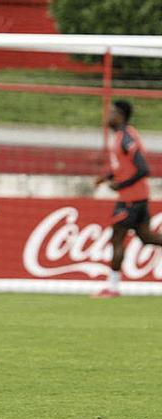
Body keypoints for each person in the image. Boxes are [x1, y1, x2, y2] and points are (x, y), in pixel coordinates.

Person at [93, 99, 162, 298]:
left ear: (120, 116)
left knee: (117, 240)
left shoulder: (125, 138)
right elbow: (125, 167)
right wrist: (106, 177)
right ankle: (112, 286)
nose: (108, 116)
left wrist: (119, 186)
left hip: (129, 200)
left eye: (112, 113)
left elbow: (143, 169)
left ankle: (112, 287)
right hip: (139, 198)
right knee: (146, 237)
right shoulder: (124, 136)